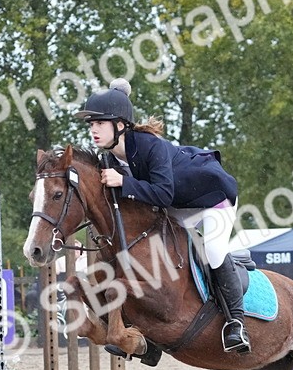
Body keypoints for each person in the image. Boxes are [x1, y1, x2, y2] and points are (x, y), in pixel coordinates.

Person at [75, 78, 249, 354]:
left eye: (99, 123)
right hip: (176, 204)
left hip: (211, 198)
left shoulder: (148, 146)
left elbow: (163, 194)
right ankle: (145, 337)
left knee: (213, 251)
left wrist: (123, 182)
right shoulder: (108, 158)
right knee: (151, 250)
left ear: (120, 125)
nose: (93, 130)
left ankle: (235, 322)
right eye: (91, 125)